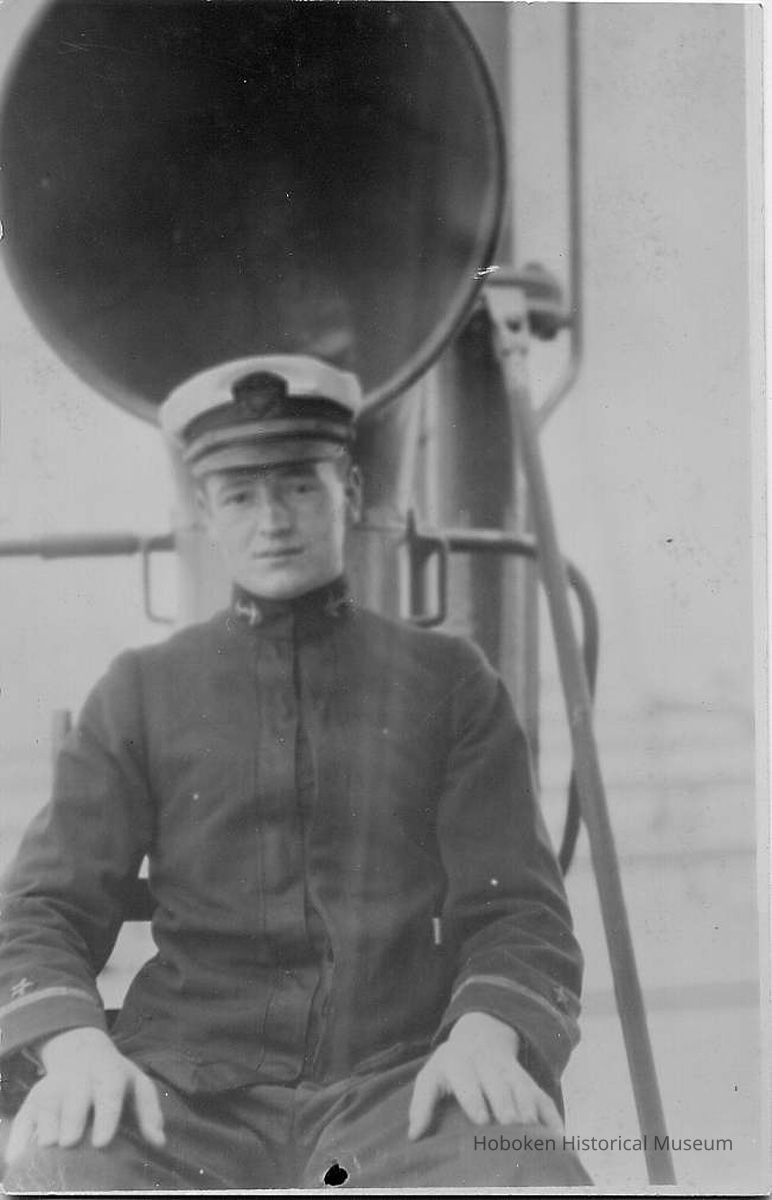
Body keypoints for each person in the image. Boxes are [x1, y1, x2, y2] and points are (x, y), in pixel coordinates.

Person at [0, 355, 590, 1189]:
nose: (272, 519)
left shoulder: (450, 681)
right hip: (183, 1094)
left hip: (401, 1084)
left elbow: (520, 912)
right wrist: (76, 1048)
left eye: (300, 487)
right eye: (240, 494)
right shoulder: (140, 690)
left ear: (348, 490)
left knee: (522, 1169)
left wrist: (485, 1034)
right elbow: (42, 909)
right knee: (63, 1170)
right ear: (207, 509)